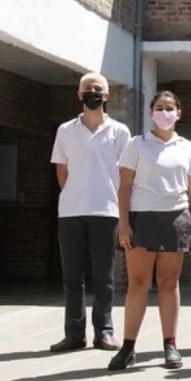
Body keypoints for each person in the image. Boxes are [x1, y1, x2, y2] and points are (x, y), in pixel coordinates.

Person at [110, 91, 191, 370]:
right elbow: (124, 187)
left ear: (179, 112)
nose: (165, 112)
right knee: (138, 283)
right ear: (151, 112)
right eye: (160, 108)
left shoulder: (186, 147)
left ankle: (170, 345)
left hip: (176, 217)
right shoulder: (136, 144)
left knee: (168, 283)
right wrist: (124, 225)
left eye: (170, 108)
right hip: (142, 217)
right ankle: (127, 347)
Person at [49, 72, 131, 352]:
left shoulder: (120, 131)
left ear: (107, 96)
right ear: (79, 94)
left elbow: (124, 173)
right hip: (70, 211)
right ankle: (74, 333)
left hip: (106, 210)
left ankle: (104, 331)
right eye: (88, 88)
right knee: (72, 275)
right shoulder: (65, 130)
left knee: (103, 277)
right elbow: (62, 169)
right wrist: (74, 193)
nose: (93, 92)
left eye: (98, 89)